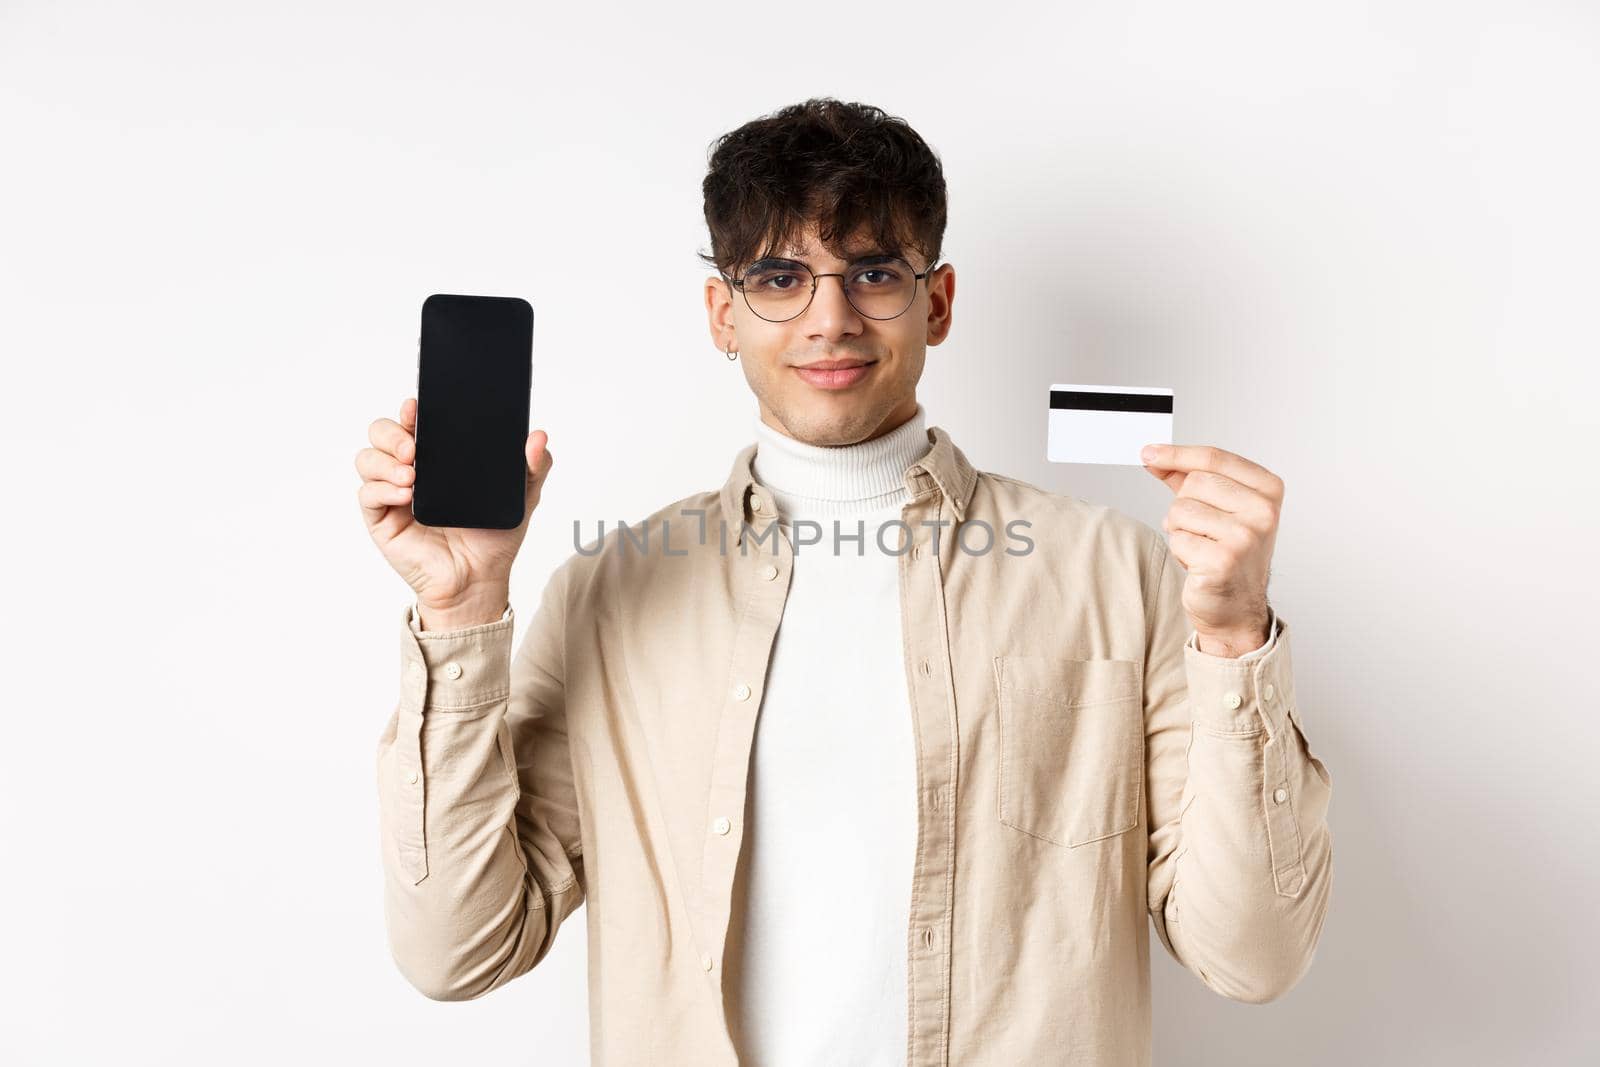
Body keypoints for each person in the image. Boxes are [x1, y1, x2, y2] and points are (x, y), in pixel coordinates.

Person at [354, 97, 1332, 1067]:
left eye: (871, 273)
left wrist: (1237, 634)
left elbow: (1251, 956)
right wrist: (461, 605)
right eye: (780, 276)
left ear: (937, 301)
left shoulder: (1116, 573)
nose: (829, 319)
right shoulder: (610, 592)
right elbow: (460, 949)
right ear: (721, 313)